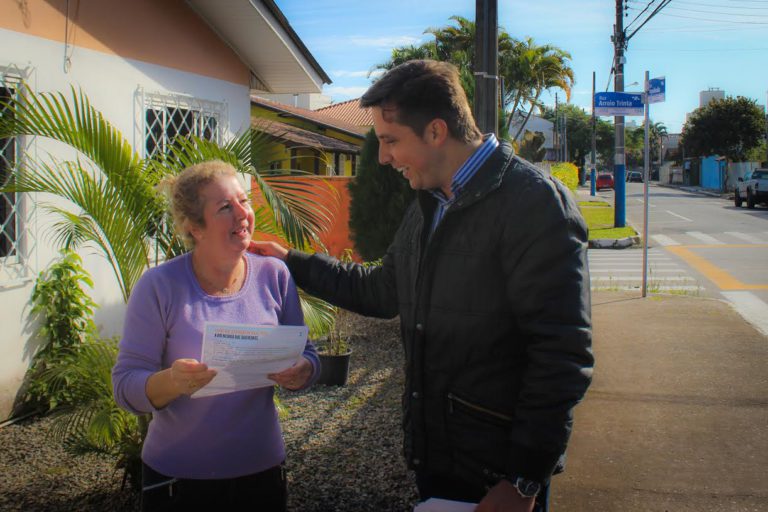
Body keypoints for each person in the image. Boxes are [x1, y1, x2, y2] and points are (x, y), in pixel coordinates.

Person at [251, 60, 593, 512]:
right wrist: (292, 262)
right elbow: (384, 288)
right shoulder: (430, 200)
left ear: (435, 132)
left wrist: (524, 480)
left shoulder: (534, 204)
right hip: (438, 459)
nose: (382, 158)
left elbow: (562, 355)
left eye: (390, 141)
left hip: (498, 475)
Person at [113, 160, 319, 511]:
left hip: (262, 472)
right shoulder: (159, 287)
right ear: (195, 227)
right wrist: (173, 381)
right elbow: (125, 387)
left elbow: (308, 356)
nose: (243, 214)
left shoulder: (275, 276)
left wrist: (303, 371)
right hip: (179, 482)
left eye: (244, 201)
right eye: (226, 207)